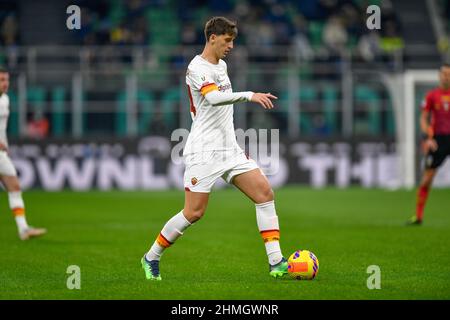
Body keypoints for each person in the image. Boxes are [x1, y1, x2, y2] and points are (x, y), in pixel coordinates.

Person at [141, 17, 287, 280]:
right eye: (228, 40)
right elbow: (213, 98)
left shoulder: (222, 65)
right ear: (213, 38)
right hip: (203, 151)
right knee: (194, 212)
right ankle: (151, 256)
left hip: (229, 148)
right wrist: (248, 95)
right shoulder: (196, 68)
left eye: (233, 41)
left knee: (265, 194)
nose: (231, 46)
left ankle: (276, 262)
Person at [0, 67, 47, 240]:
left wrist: (5, 143)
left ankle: (23, 229)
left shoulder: (5, 100)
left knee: (14, 187)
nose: (5, 84)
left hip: (1, 154)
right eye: (1, 80)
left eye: (6, 80)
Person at [407, 63, 450, 225]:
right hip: (438, 141)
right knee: (426, 179)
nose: (447, 76)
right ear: (439, 76)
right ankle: (418, 216)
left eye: (449, 74)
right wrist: (428, 137)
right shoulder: (432, 96)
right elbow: (423, 118)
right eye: (444, 74)